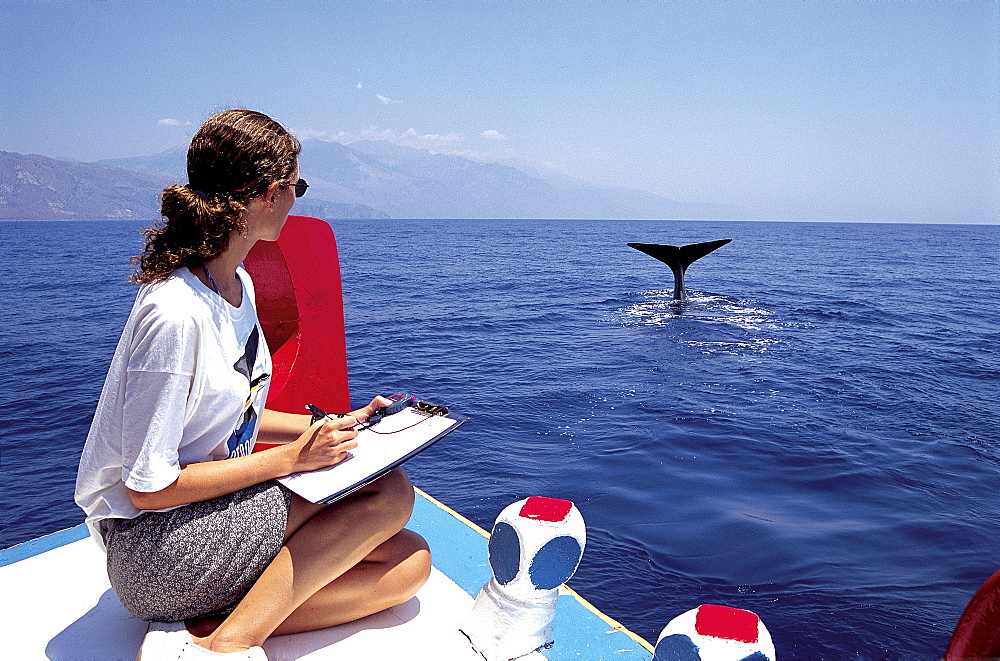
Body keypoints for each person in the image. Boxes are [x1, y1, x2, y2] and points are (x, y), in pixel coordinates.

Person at [74, 109, 431, 660]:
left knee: (407, 565)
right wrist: (288, 461)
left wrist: (329, 426)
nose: (297, 199)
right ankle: (229, 644)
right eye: (297, 187)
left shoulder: (236, 284)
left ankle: (212, 619)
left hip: (206, 522)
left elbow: (233, 411)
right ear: (269, 194)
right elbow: (148, 487)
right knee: (390, 492)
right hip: (153, 549)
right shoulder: (176, 313)